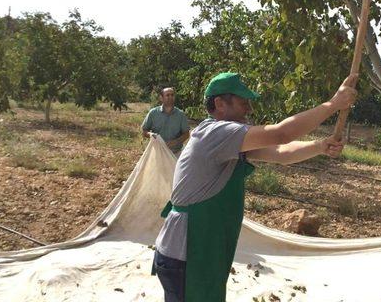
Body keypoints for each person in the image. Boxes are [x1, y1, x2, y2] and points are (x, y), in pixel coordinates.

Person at [152, 72, 357, 302]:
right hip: (187, 253)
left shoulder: (227, 139)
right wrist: (333, 104)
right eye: (242, 103)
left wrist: (319, 146)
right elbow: (281, 134)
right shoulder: (215, 133)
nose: (248, 109)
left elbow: (280, 154)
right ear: (220, 104)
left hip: (201, 249)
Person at [142, 87, 190, 155]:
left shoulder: (180, 114)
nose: (170, 97)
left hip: (176, 152)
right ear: (161, 98)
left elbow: (186, 134)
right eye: (167, 95)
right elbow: (144, 131)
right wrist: (151, 134)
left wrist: (175, 142)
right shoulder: (153, 113)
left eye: (172, 95)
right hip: (157, 152)